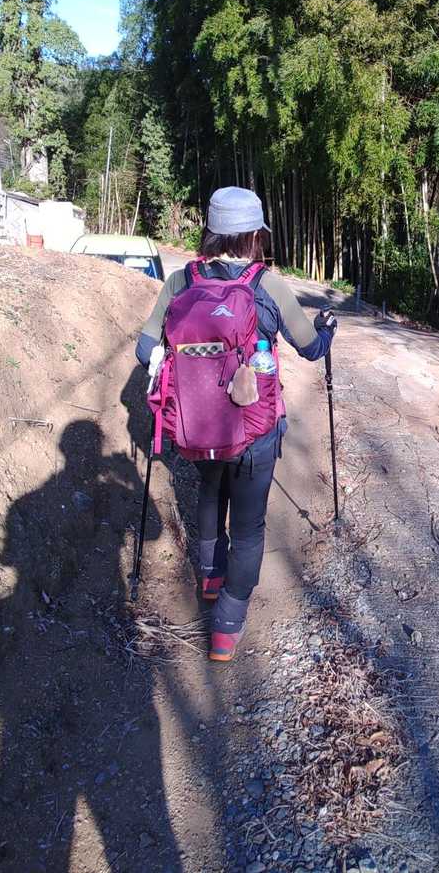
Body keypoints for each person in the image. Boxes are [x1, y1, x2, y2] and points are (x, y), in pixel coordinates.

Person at [135, 186, 335, 662]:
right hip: (254, 431)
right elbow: (310, 347)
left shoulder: (181, 281)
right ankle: (225, 627)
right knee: (248, 526)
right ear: (254, 236)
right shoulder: (266, 284)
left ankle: (210, 576)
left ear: (210, 232)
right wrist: (327, 331)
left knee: (209, 492)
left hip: (196, 425)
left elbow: (145, 351)